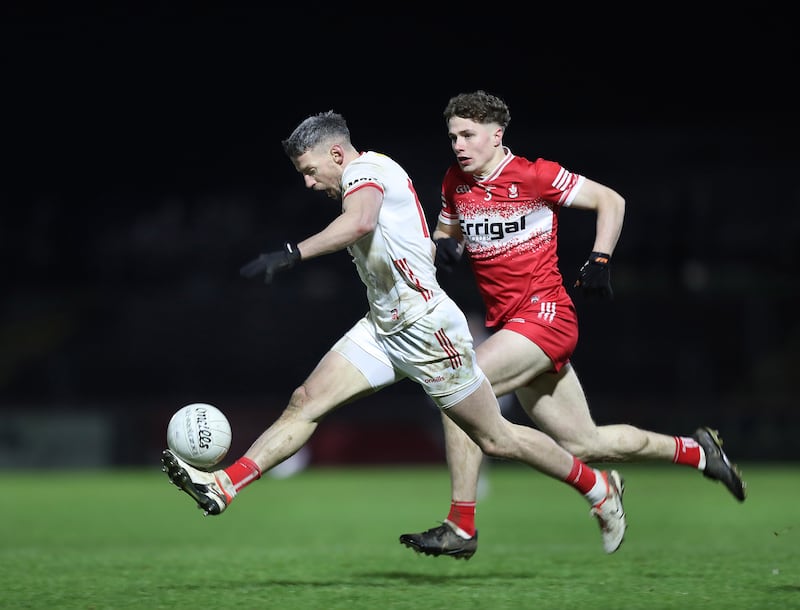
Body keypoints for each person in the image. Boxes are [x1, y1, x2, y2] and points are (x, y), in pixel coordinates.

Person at [160, 110, 627, 554]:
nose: (307, 182)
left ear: (338, 156)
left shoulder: (367, 171)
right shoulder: (363, 174)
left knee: (496, 438)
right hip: (383, 327)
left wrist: (292, 253)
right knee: (306, 400)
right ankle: (224, 485)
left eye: (309, 169)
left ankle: (598, 487)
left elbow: (360, 220)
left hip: (427, 329)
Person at [398, 90, 746, 560]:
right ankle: (700, 452)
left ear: (497, 135)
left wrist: (600, 258)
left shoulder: (534, 174)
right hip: (511, 328)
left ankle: (462, 525)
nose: (458, 145)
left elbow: (612, 201)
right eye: (453, 136)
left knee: (457, 388)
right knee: (586, 441)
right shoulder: (454, 183)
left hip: (545, 318)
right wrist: (447, 246)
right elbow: (447, 231)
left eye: (468, 135)